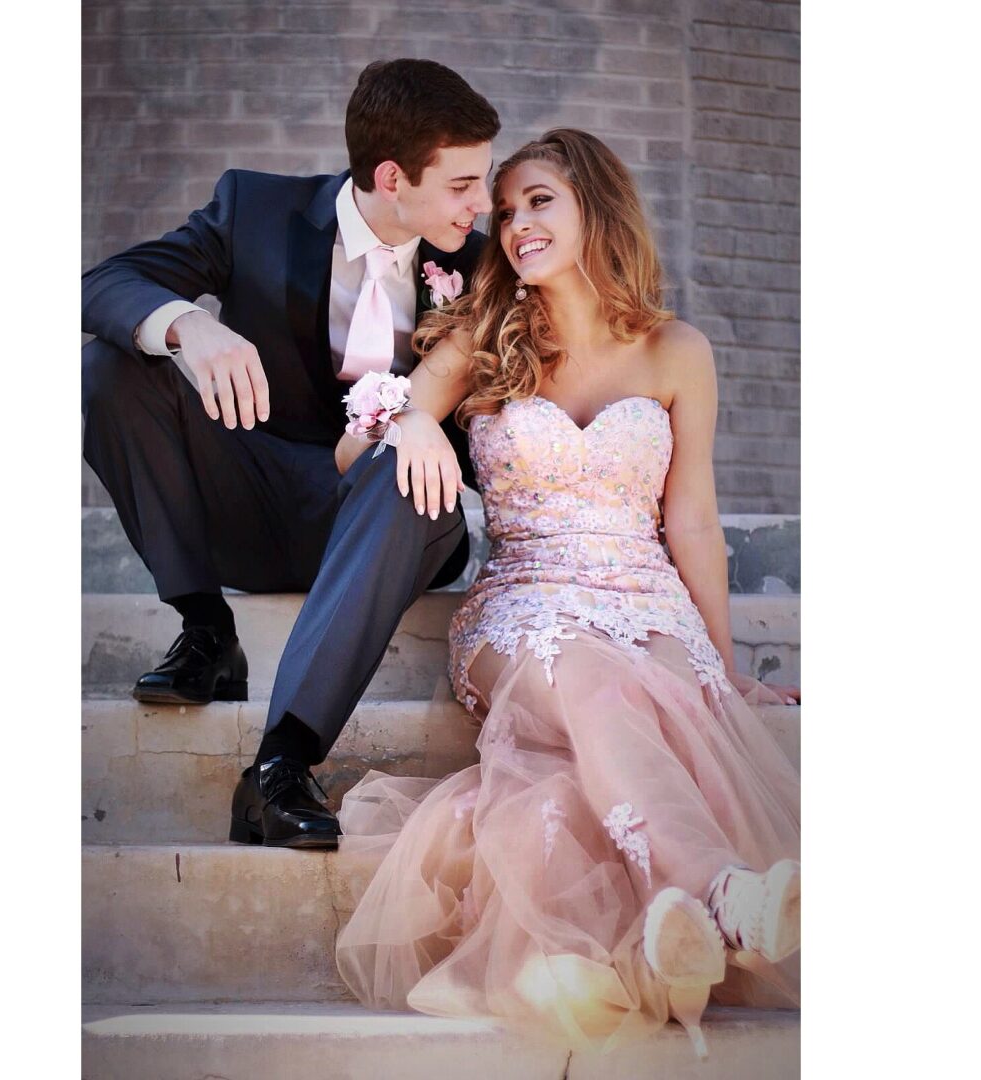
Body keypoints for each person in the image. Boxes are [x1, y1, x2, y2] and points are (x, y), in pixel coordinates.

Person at [332, 129, 801, 1058]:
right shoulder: (482, 338)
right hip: (524, 605)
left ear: (594, 202)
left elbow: (693, 522)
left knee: (633, 719)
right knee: (590, 675)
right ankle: (722, 891)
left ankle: (645, 960)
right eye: (504, 212)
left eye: (538, 200)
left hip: (648, 597)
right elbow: (357, 450)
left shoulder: (678, 352)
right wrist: (413, 425)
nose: (515, 225)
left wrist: (724, 661)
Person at [81, 59, 500, 849]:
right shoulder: (255, 211)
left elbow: (497, 446)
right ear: (391, 176)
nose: (483, 204)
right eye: (462, 185)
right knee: (106, 369)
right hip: (257, 497)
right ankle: (206, 632)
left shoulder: (478, 268)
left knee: (414, 481)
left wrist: (421, 415)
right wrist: (186, 325)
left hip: (389, 518)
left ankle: (281, 763)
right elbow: (104, 283)